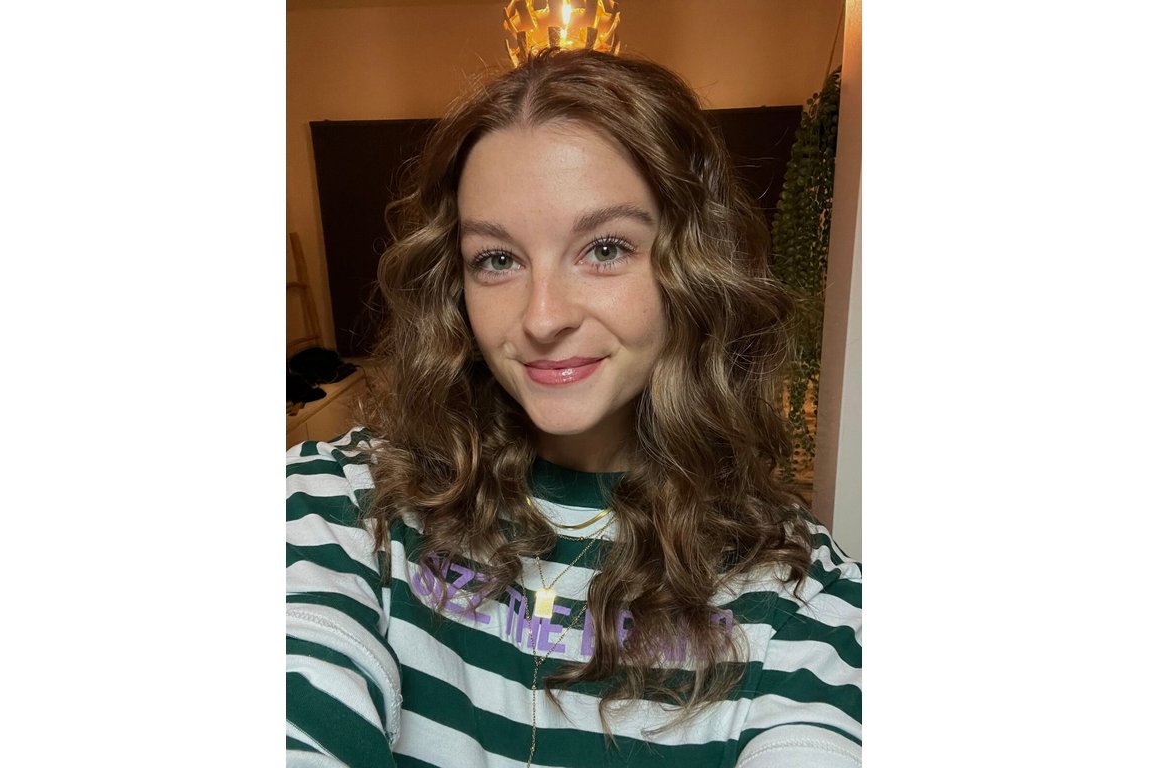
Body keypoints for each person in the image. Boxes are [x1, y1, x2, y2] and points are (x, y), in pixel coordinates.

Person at [286, 49, 861, 767]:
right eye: (497, 259)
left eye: (605, 248)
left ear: (693, 266)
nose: (542, 318)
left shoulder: (804, 601)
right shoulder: (340, 507)